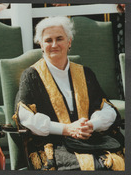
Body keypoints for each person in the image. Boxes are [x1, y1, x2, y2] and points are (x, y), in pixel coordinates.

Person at [14, 16, 124, 171]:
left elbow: (107, 108)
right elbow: (26, 117)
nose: (54, 45)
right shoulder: (31, 76)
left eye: (59, 39)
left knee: (117, 161)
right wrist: (66, 129)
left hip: (91, 139)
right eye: (48, 40)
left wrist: (92, 125)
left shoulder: (85, 73)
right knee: (92, 166)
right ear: (40, 44)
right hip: (54, 144)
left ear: (69, 42)